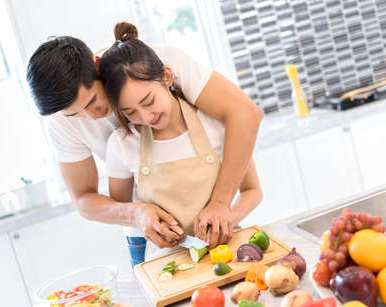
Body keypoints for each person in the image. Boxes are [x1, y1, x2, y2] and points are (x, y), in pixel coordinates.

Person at [26, 24, 263, 267]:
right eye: (74, 114)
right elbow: (84, 200)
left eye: (92, 101)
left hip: (216, 227)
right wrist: (136, 213)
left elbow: (245, 114)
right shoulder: (64, 124)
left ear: (97, 67)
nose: (91, 116)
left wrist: (221, 204)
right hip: (148, 239)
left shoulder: (153, 63)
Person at [100, 22, 262, 260]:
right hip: (167, 266)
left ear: (166, 77)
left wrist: (226, 218)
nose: (145, 117)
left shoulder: (215, 125)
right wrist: (144, 221)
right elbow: (121, 209)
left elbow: (252, 190)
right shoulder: (122, 144)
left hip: (227, 254)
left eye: (148, 101)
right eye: (130, 112)